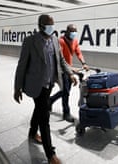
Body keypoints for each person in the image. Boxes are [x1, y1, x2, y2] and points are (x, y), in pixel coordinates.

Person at [13, 14, 77, 164]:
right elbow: (22, 66)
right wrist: (17, 88)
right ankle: (50, 155)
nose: (52, 28)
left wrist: (70, 73)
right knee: (44, 116)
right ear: (41, 26)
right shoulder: (30, 41)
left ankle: (32, 132)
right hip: (37, 84)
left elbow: (61, 60)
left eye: (53, 24)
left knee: (40, 108)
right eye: (49, 25)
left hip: (50, 83)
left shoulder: (55, 40)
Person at [50, 24, 89, 122]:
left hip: (69, 70)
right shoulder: (61, 41)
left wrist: (83, 63)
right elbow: (60, 59)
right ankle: (66, 113)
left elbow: (78, 52)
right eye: (72, 31)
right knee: (66, 92)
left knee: (65, 91)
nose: (73, 33)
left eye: (75, 31)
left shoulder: (75, 41)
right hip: (62, 70)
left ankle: (50, 100)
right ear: (67, 31)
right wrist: (71, 68)